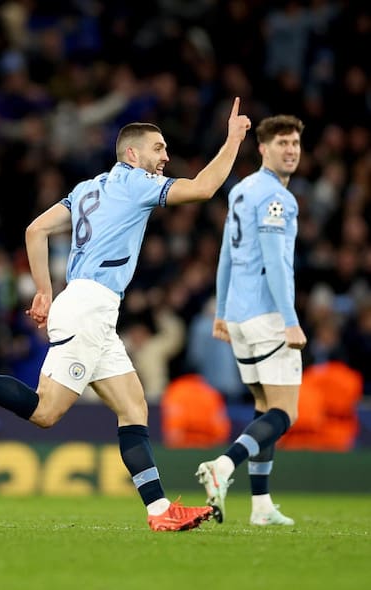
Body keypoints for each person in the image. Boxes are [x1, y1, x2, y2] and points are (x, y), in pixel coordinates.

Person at [0, 97, 251, 531]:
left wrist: (43, 291)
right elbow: (204, 188)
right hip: (89, 308)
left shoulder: (88, 188)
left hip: (89, 307)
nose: (165, 157)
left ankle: (159, 510)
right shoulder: (136, 183)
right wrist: (233, 140)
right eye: (159, 148)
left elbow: (35, 229)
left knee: (133, 407)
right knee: (45, 412)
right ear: (133, 154)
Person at [197, 115, 306, 526]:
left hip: (241, 319)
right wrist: (291, 321)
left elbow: (226, 252)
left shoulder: (241, 191)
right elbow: (276, 263)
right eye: (282, 143)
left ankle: (260, 506)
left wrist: (222, 311)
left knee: (264, 408)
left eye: (295, 142)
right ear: (262, 148)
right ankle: (223, 466)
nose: (291, 150)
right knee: (286, 413)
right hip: (267, 316)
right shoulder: (279, 198)